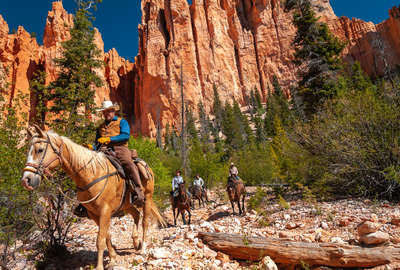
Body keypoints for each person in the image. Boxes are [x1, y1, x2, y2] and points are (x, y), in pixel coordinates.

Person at [95, 100, 144, 207]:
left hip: (120, 149)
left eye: (109, 111)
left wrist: (109, 139)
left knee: (128, 163)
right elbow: (97, 142)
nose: (106, 113)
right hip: (103, 150)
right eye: (104, 112)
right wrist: (91, 147)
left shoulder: (122, 122)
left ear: (113, 111)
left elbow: (125, 136)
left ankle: (138, 192)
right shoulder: (100, 127)